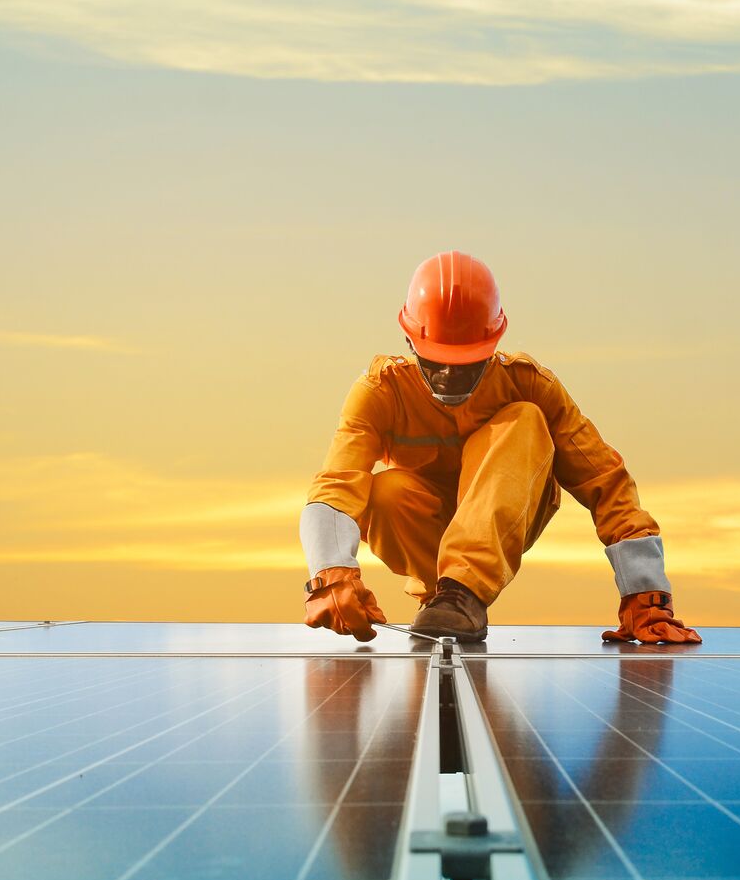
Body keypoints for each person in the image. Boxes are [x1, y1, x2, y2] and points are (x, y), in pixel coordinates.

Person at [299, 250, 702, 645]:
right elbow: (337, 484)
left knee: (525, 418)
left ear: (493, 344)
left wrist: (645, 593)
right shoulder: (380, 393)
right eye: (435, 362)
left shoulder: (530, 384)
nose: (448, 377)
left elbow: (605, 481)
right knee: (384, 491)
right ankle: (445, 595)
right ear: (408, 341)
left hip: (510, 511)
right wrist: (330, 572)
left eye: (466, 364)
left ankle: (463, 593)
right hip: (426, 535)